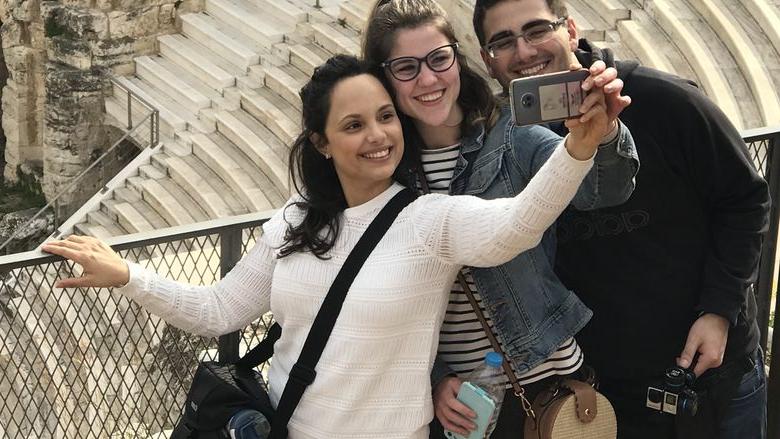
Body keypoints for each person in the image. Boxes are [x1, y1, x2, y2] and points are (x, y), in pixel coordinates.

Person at [42, 54, 615, 439]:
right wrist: (128, 276)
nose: (378, 136)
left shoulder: (430, 222)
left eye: (387, 117)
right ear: (320, 142)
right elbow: (219, 309)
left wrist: (580, 147)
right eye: (354, 124)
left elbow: (518, 224)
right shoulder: (293, 222)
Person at [470, 0, 771, 437]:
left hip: (709, 378)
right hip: (602, 395)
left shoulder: (663, 99)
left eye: (537, 30)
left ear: (570, 30)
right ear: (487, 60)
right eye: (503, 41)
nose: (524, 51)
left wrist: (718, 311)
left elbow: (745, 199)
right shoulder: (500, 144)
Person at [362, 1, 638, 437]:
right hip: (460, 406)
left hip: (545, 387)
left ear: (457, 56)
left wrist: (600, 134)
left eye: (439, 59)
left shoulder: (512, 134)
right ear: (383, 76)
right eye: (406, 67)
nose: (429, 79)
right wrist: (434, 379)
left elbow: (600, 191)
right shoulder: (382, 171)